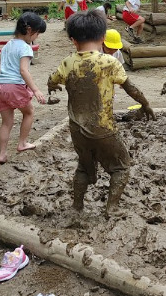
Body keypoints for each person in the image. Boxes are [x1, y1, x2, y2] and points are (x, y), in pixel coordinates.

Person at [47, 11, 155, 217]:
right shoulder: (109, 62)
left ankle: (77, 206)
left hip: (76, 129)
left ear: (73, 40)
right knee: (122, 166)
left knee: (83, 167)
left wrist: (53, 88)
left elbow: (52, 81)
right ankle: (111, 208)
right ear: (103, 37)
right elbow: (130, 88)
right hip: (103, 127)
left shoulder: (68, 62)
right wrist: (146, 105)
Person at [0, 12, 47, 165]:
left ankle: (2, 154)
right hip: (14, 86)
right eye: (37, 34)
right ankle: (22, 143)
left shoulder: (8, 44)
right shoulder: (26, 48)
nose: (37, 37)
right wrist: (35, 90)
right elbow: (24, 71)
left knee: (6, 122)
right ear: (29, 30)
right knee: (29, 112)